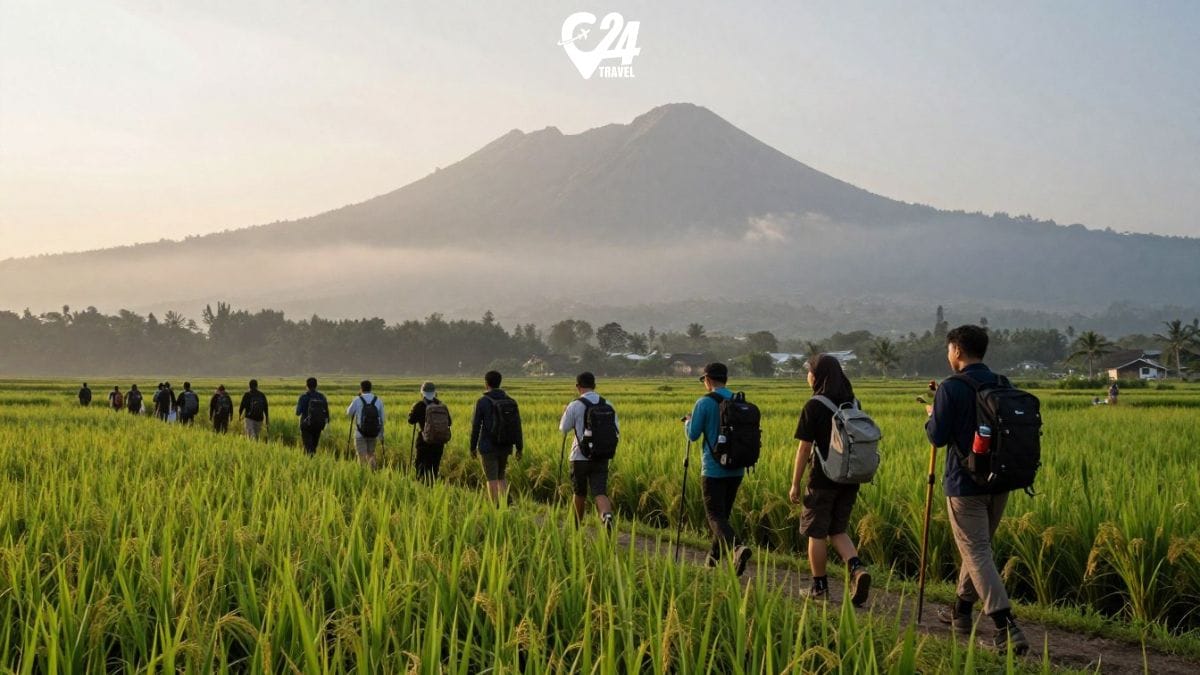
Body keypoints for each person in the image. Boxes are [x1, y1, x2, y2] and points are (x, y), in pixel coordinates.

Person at [926, 325, 1030, 654]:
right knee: (977, 549)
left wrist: (931, 415)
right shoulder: (1002, 383)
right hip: (1001, 482)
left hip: (964, 484)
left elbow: (938, 437)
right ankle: (961, 611)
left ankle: (1005, 625)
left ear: (956, 350)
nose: (948, 355)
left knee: (976, 551)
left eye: (948, 349)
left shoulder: (951, 388)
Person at [789, 354, 871, 605]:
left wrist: (794, 483)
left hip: (822, 479)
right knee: (838, 529)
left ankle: (819, 588)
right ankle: (857, 569)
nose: (807, 376)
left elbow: (804, 449)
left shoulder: (814, 405)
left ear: (817, 376)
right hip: (849, 478)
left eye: (809, 371)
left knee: (817, 533)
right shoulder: (853, 403)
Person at [684, 362, 752, 576]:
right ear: (726, 379)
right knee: (722, 517)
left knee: (714, 516)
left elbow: (693, 435)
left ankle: (737, 547)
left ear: (708, 380)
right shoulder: (738, 400)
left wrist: (687, 422)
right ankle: (711, 562)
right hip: (737, 468)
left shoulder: (703, 403)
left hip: (713, 469)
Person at [558, 371, 617, 529]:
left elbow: (564, 428)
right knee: (600, 491)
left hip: (579, 457)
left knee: (579, 493)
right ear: (594, 386)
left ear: (578, 386)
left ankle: (576, 526)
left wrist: (565, 412)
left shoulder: (575, 405)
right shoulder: (608, 404)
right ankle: (606, 516)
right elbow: (616, 430)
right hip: (602, 455)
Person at [469, 370, 523, 503]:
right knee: (501, 476)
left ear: (486, 384)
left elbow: (476, 426)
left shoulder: (482, 401)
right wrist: (519, 448)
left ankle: (495, 509)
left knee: (491, 479)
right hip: (506, 445)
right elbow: (517, 426)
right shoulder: (511, 401)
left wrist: (472, 447)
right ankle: (506, 506)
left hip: (488, 446)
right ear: (500, 382)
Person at [407, 381, 451, 482]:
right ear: (435, 392)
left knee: (420, 466)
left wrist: (412, 411)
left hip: (424, 441)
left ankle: (421, 488)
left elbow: (411, 420)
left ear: (422, 392)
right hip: (439, 442)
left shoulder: (419, 405)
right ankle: (432, 488)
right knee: (434, 467)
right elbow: (449, 422)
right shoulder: (442, 406)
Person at [346, 380, 384, 468]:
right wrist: (381, 435)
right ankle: (374, 473)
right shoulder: (378, 400)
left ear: (361, 388)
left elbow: (348, 413)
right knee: (371, 454)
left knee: (362, 456)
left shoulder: (357, 399)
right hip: (374, 433)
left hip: (360, 433)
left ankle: (363, 475)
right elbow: (382, 419)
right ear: (371, 388)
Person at [295, 377, 330, 456]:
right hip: (318, 425)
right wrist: (325, 423)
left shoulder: (303, 397)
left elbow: (297, 413)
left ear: (306, 385)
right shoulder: (322, 397)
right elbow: (326, 412)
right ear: (316, 385)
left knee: (307, 446)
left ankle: (308, 462)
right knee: (314, 446)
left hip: (306, 425)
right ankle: (312, 461)